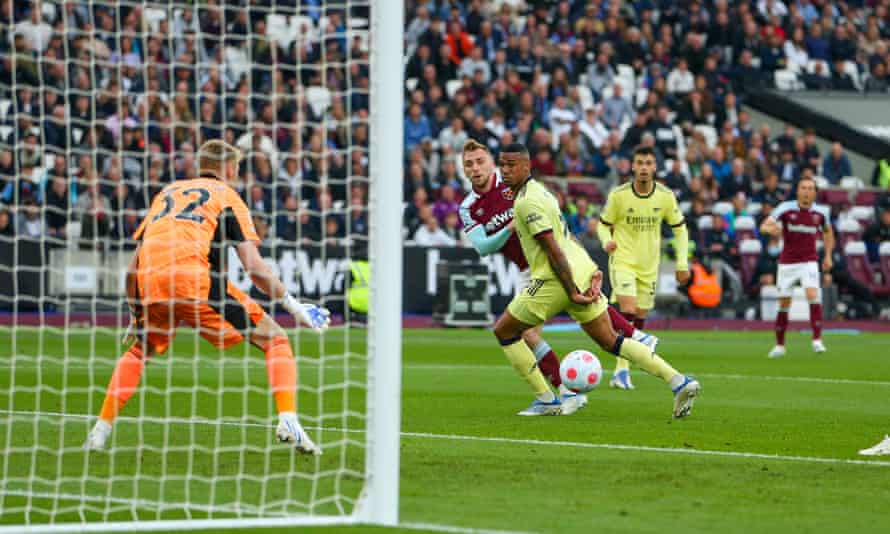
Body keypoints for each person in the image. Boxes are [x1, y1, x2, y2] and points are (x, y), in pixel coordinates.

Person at [84, 140, 330, 454]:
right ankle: (288, 419)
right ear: (228, 168)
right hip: (196, 282)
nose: (237, 176)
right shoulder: (227, 196)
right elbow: (253, 266)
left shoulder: (167, 193)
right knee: (276, 339)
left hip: (151, 281)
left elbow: (134, 264)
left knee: (139, 351)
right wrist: (294, 306)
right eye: (237, 170)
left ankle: (99, 431)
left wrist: (136, 312)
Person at [491, 143, 700, 418]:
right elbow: (566, 237)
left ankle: (547, 399)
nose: (505, 171)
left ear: (527, 167)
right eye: (502, 164)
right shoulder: (542, 192)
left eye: (511, 165)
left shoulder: (528, 201)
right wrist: (589, 268)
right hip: (579, 268)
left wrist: (572, 291)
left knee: (505, 331)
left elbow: (553, 248)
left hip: (555, 278)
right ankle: (679, 382)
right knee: (611, 340)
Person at [459, 140, 658, 415]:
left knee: (572, 306)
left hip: (552, 255)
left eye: (480, 161)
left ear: (491, 163)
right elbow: (484, 247)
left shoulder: (512, 182)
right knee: (532, 330)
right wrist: (510, 226)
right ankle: (569, 388)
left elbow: (552, 215)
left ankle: (625, 342)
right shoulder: (468, 207)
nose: (476, 168)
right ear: (464, 170)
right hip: (527, 269)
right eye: (469, 164)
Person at [597, 146, 691, 390]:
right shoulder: (619, 196)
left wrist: (682, 262)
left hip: (649, 265)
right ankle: (621, 370)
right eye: (639, 163)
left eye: (649, 163)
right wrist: (605, 241)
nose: (644, 168)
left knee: (640, 317)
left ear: (655, 168)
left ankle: (624, 368)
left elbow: (680, 229)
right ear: (632, 166)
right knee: (628, 309)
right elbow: (602, 225)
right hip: (623, 260)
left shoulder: (665, 196)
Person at [759, 176, 834, 358]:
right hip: (787, 263)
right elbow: (764, 226)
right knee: (784, 303)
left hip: (809, 261)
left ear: (815, 193)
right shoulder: (785, 208)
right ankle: (779, 345)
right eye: (803, 188)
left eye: (810, 188)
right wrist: (771, 230)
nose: (807, 191)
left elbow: (828, 232)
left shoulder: (821, 213)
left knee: (812, 294)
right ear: (798, 190)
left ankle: (817, 340)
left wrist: (828, 255)